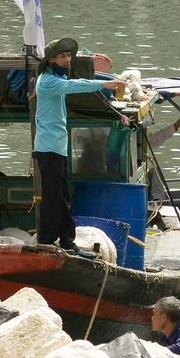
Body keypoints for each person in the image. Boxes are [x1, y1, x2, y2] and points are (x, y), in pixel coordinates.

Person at [30, 38, 118, 248]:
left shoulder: (50, 78)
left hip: (57, 146)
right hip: (49, 147)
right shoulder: (49, 81)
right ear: (51, 59)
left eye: (69, 56)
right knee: (52, 197)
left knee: (62, 195)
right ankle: (48, 240)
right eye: (63, 56)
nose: (68, 60)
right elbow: (74, 85)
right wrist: (103, 84)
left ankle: (67, 240)